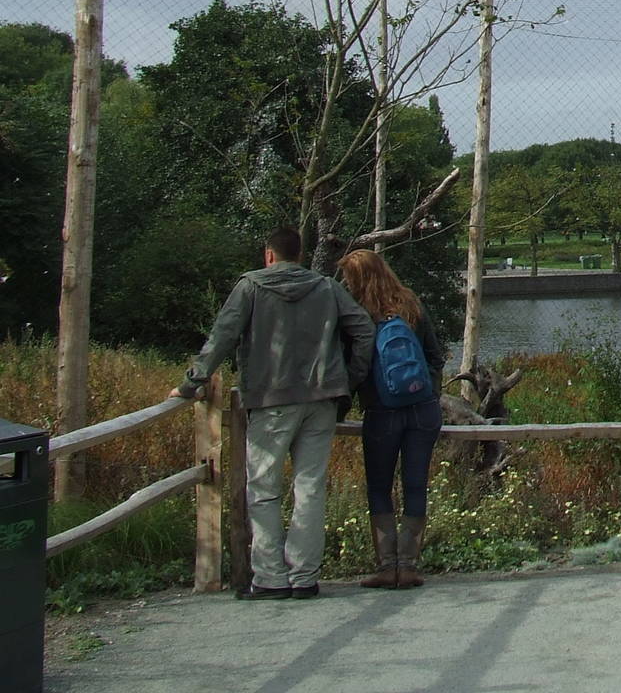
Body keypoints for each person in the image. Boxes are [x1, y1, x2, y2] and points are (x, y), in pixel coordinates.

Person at [170, 226, 374, 601]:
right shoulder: (327, 287)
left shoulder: (250, 287)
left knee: (264, 489)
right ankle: (304, 577)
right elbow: (364, 330)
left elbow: (223, 336)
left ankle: (270, 577)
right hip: (322, 398)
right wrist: (348, 380)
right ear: (299, 253)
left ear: (268, 255)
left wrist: (190, 383)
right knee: (309, 488)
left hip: (270, 400)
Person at [336, 248, 446, 591]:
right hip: (423, 409)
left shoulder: (357, 313)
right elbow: (436, 357)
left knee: (380, 487)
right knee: (415, 484)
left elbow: (353, 367)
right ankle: (409, 565)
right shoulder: (410, 303)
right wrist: (427, 393)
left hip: (381, 411)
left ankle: (387, 566)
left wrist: (346, 402)